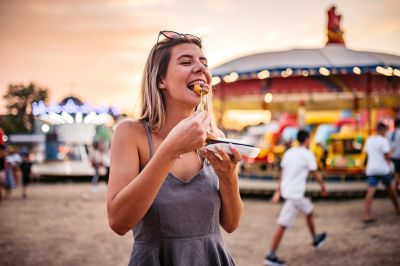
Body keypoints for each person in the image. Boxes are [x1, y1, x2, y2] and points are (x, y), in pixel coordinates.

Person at [107, 30, 243, 265]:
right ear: (161, 80)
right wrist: (170, 150)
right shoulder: (130, 133)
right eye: (186, 62)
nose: (201, 68)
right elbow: (118, 222)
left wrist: (229, 177)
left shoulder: (214, 137)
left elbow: (230, 224)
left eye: (204, 63)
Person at [264, 129, 328, 266]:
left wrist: (278, 191)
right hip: (295, 196)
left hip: (290, 192)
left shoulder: (289, 153)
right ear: (307, 139)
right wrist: (322, 186)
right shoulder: (308, 154)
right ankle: (271, 255)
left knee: (309, 211)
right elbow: (315, 173)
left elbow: (282, 173)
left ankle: (315, 238)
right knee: (282, 224)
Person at [363, 122, 400, 223]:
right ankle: (397, 209)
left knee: (370, 191)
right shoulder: (383, 141)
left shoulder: (369, 140)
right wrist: (392, 153)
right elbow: (387, 156)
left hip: (371, 169)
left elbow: (366, 153)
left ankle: (366, 214)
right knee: (391, 190)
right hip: (383, 169)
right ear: (383, 130)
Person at [387, 118, 400, 190]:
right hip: (398, 156)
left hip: (392, 156)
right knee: (397, 174)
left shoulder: (389, 133)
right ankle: (394, 190)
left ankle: (394, 189)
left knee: (396, 173)